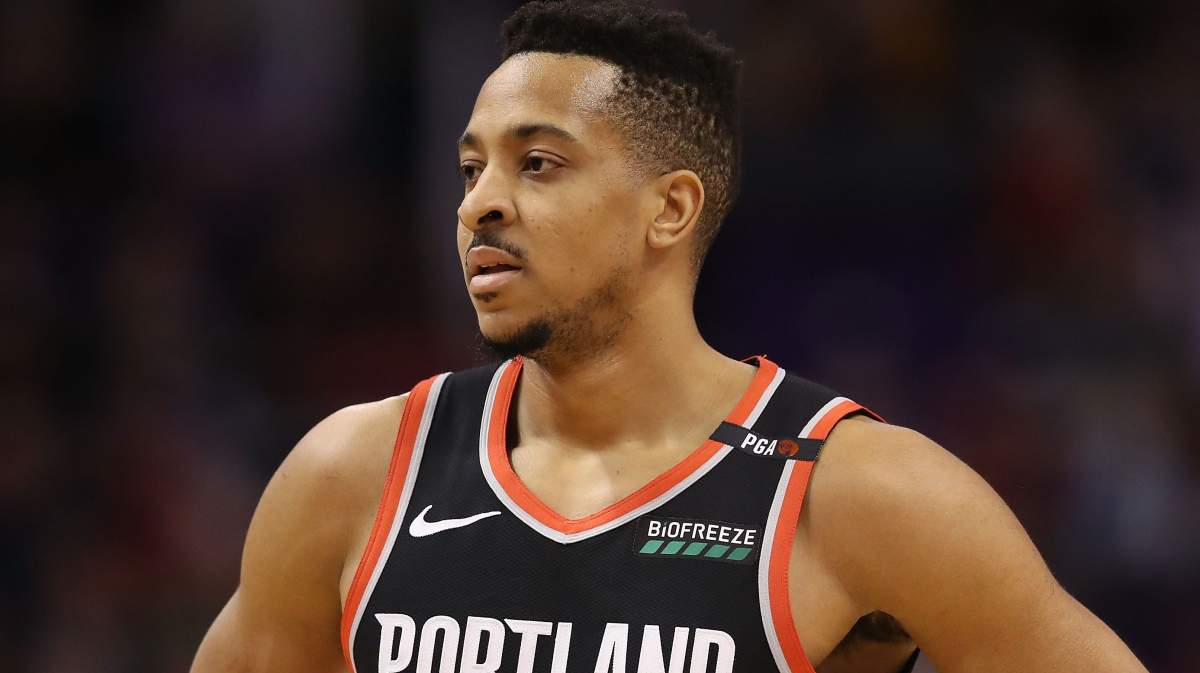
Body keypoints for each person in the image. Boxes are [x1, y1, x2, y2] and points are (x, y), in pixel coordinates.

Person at [191, 2, 1149, 672]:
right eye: (471, 168)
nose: (481, 203)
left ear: (671, 209)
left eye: (538, 163)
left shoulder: (854, 491)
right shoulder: (354, 475)